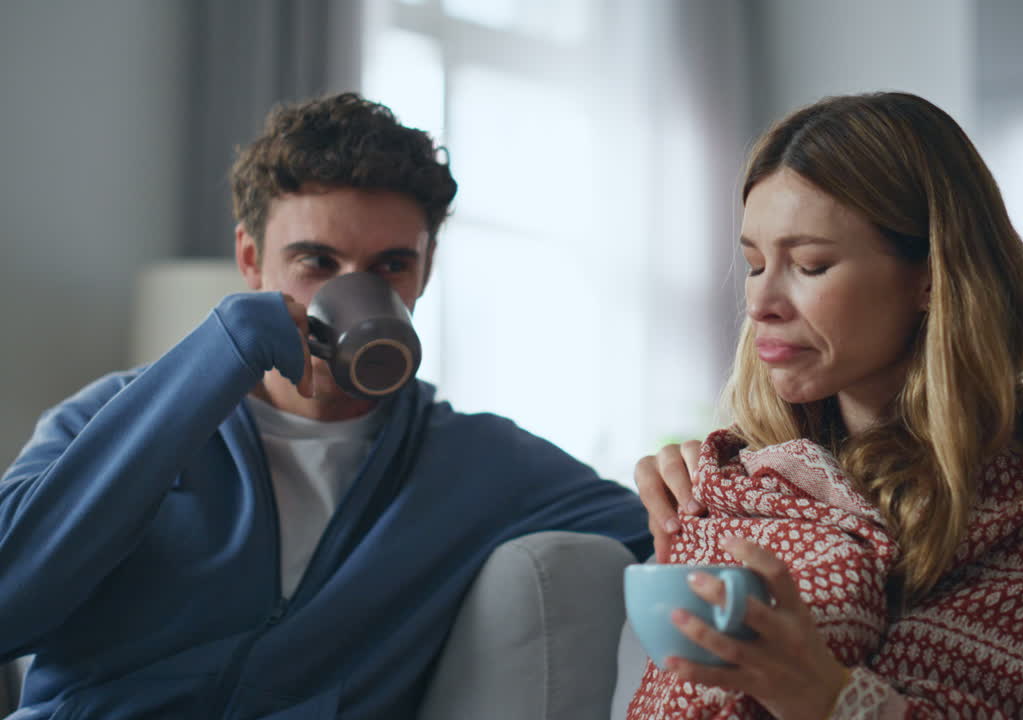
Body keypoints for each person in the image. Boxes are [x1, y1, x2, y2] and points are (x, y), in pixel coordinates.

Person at [0, 92, 651, 719]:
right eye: (315, 260)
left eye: (390, 265)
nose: (353, 291)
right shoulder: (114, 416)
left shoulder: (477, 463)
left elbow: (669, 533)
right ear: (251, 260)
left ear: (424, 272)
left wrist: (691, 474)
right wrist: (205, 371)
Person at [628, 93, 1023, 719]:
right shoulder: (737, 487)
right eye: (755, 263)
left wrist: (827, 700)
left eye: (810, 265)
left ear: (929, 277)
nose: (761, 301)